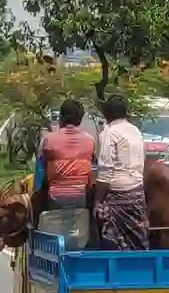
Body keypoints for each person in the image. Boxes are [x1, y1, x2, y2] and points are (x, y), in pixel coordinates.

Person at [36, 99, 96, 248]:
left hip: (55, 198)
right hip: (81, 197)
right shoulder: (90, 140)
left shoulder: (49, 139)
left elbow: (42, 166)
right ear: (80, 118)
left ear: (61, 117)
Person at [93, 95, 150, 250]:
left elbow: (105, 171)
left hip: (117, 194)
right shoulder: (136, 131)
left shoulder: (109, 133)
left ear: (107, 114)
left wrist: (97, 202)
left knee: (109, 239)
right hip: (138, 192)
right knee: (138, 239)